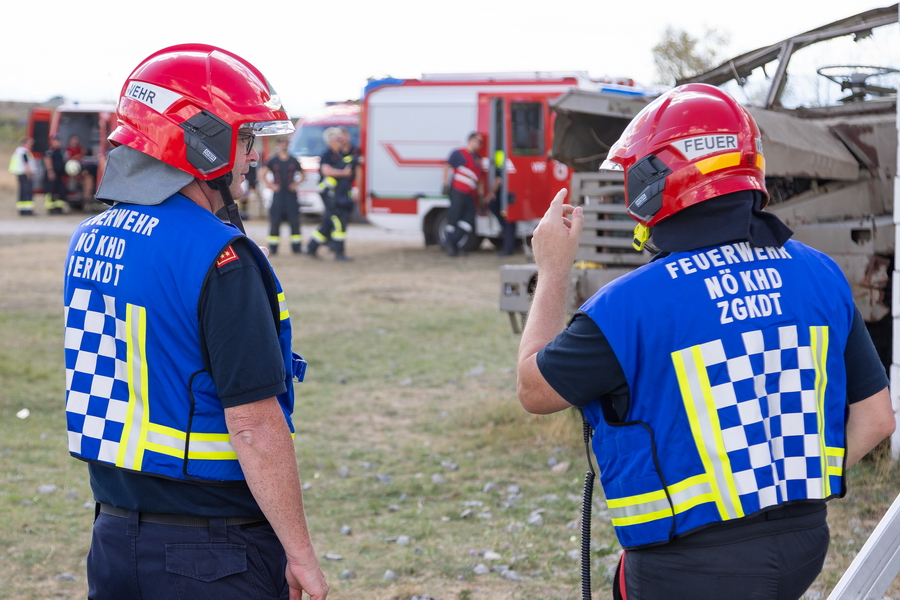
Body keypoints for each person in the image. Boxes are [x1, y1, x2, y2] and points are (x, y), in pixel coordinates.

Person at [516, 84, 895, 600]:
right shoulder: (821, 274)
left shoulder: (630, 305)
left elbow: (534, 390)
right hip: (803, 548)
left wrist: (553, 269)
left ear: (652, 181)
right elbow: (877, 420)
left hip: (684, 569)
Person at [62, 44, 328, 600]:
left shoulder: (89, 236)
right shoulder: (219, 256)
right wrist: (301, 554)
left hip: (113, 539)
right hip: (213, 552)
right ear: (204, 141)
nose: (253, 156)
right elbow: (253, 424)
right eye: (246, 138)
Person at [305, 127, 357, 261]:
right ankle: (339, 253)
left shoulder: (339, 154)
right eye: (339, 138)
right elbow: (326, 171)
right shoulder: (327, 154)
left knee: (328, 223)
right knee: (339, 222)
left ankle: (311, 247)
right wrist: (344, 173)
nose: (342, 141)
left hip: (336, 195)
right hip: (329, 195)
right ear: (332, 141)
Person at [440, 132, 485, 256]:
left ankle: (450, 242)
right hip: (458, 192)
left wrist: (481, 195)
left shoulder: (478, 158)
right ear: (471, 140)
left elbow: (480, 178)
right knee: (454, 218)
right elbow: (447, 167)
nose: (480, 145)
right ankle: (452, 248)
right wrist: (444, 184)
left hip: (470, 194)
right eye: (479, 141)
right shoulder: (458, 153)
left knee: (469, 220)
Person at [264, 137, 305, 254]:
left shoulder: (293, 160)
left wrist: (296, 184)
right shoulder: (273, 160)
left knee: (294, 220)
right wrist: (271, 185)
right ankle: (273, 247)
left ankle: (297, 247)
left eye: (287, 143)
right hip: (278, 195)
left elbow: (303, 174)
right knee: (275, 220)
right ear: (278, 145)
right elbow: (262, 174)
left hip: (291, 195)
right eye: (282, 143)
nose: (285, 145)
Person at [486, 150, 516, 256]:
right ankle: (508, 246)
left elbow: (498, 180)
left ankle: (507, 248)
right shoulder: (508, 162)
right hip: (508, 198)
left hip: (504, 199)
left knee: (507, 223)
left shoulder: (499, 163)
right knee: (509, 223)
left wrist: (492, 192)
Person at [65, 134, 96, 201]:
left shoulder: (81, 149)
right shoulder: (68, 150)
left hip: (82, 169)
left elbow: (86, 154)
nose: (75, 141)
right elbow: (67, 159)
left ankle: (87, 195)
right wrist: (77, 156)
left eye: (76, 140)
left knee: (88, 174)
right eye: (74, 140)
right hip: (73, 170)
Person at [8, 137, 35, 215]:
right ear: (24, 143)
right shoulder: (24, 152)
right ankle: (27, 211)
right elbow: (26, 164)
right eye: (29, 143)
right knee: (27, 192)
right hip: (25, 174)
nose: (31, 145)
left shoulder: (19, 151)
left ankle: (22, 210)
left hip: (21, 174)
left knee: (22, 192)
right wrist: (29, 174)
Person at [43, 134, 67, 214]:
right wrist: (50, 171)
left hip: (59, 175)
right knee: (50, 191)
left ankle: (59, 208)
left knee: (62, 190)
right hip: (52, 174)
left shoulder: (61, 150)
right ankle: (50, 208)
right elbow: (47, 160)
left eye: (59, 141)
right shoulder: (50, 149)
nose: (58, 142)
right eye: (56, 140)